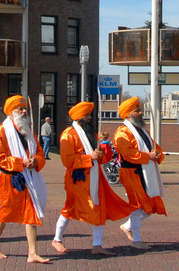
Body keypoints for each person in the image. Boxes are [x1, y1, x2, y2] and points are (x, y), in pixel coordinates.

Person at [51, 102, 133, 257]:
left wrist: (104, 149)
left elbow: (102, 158)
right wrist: (89, 157)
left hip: (96, 178)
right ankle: (57, 239)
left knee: (98, 207)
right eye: (87, 115)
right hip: (78, 180)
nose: (90, 118)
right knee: (69, 208)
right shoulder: (69, 134)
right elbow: (67, 161)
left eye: (90, 115)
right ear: (80, 117)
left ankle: (97, 244)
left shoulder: (92, 135)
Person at [0, 95, 50, 263]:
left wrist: (35, 161)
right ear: (10, 113)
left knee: (31, 211)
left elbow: (39, 152)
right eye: (19, 109)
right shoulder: (0, 131)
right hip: (10, 177)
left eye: (24, 109)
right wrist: (20, 162)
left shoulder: (28, 132)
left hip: (29, 176)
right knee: (7, 211)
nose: (23, 112)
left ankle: (32, 253)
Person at [114, 97, 167, 249]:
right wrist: (147, 156)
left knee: (151, 205)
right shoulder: (122, 132)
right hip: (132, 173)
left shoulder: (143, 131)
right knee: (137, 205)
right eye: (137, 111)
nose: (140, 113)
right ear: (128, 114)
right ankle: (136, 240)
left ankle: (127, 226)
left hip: (146, 171)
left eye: (139, 110)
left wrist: (157, 155)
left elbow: (154, 146)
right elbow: (127, 152)